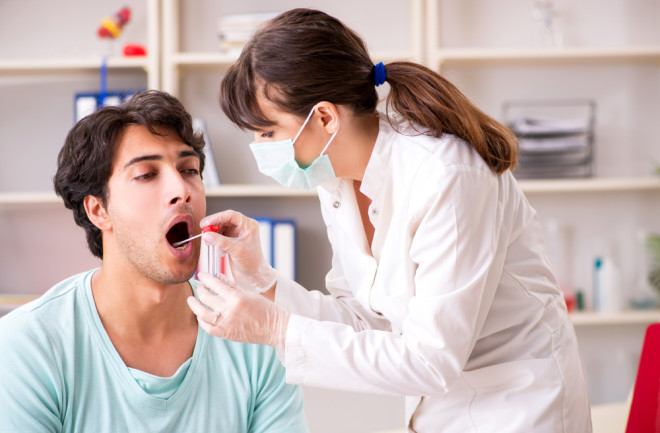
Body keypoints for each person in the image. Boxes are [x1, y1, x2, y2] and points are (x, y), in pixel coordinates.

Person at [186, 8, 593, 433]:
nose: (258, 148)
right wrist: (264, 281)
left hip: (520, 407)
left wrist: (278, 330)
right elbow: (366, 319)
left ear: (325, 118)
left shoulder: (447, 176)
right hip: (441, 408)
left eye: (267, 132)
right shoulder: (337, 181)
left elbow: (431, 360)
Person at [0, 90, 308, 433]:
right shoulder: (28, 346)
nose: (182, 189)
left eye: (189, 169)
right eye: (147, 174)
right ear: (98, 210)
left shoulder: (254, 336)